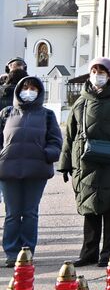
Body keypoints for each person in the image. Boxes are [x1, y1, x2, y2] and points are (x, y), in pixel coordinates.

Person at [58, 58, 110, 266]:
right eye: (94, 71)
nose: (97, 75)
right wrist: (65, 162)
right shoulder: (81, 101)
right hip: (85, 163)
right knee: (89, 208)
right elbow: (70, 134)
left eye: (101, 71)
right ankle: (89, 252)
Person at [0, 75, 62, 264]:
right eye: (25, 87)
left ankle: (26, 251)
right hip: (8, 170)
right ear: (19, 91)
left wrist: (47, 154)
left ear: (39, 92)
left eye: (33, 88)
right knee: (12, 213)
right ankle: (11, 253)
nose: (29, 91)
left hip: (36, 171)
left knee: (29, 212)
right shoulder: (6, 113)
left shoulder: (47, 114)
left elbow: (55, 140)